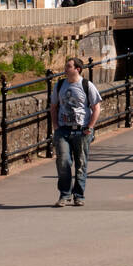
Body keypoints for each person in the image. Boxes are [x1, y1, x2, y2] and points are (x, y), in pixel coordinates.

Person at [50, 56, 102, 206]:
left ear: (77, 69)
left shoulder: (87, 85)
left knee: (81, 164)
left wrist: (90, 127)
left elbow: (96, 108)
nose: (65, 69)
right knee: (63, 162)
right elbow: (53, 107)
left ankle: (79, 195)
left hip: (81, 130)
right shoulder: (59, 85)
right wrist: (56, 126)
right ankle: (65, 195)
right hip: (63, 130)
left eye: (68, 66)